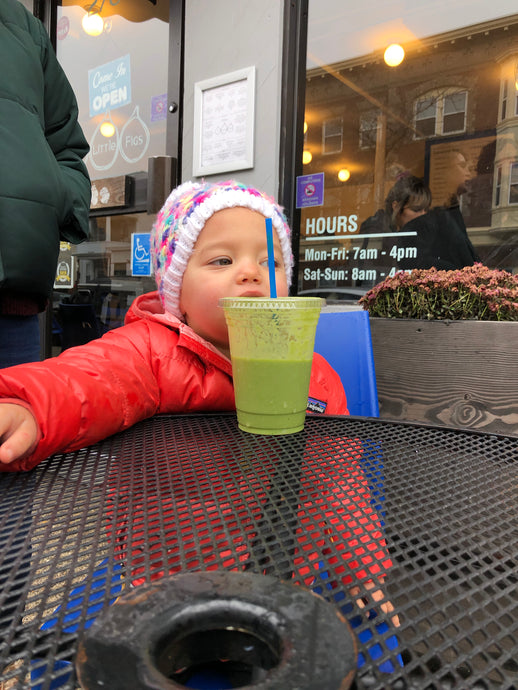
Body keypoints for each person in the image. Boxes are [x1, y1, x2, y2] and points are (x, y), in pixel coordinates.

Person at [0, 180, 348, 471]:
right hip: (172, 549)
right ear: (177, 292)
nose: (251, 272)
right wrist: (29, 408)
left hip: (281, 549)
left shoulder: (316, 376)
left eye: (269, 261)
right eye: (223, 260)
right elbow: (85, 379)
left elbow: (341, 491)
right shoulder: (150, 352)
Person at [0, 0, 91, 368]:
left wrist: (59, 199)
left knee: (17, 421)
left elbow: (65, 143)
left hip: (12, 305)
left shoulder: (24, 26)